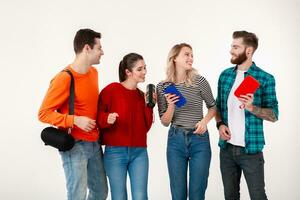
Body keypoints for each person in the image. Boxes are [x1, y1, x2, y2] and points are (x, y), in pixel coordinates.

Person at [38, 28, 108, 200]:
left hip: (94, 143)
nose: (103, 52)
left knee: (100, 193)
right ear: (87, 48)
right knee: (77, 195)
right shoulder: (64, 78)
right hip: (75, 146)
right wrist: (75, 120)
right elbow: (43, 113)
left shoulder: (93, 72)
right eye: (99, 48)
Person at [215, 30, 279, 200]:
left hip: (251, 152)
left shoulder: (265, 78)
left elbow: (274, 114)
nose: (231, 50)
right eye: (231, 46)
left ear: (248, 51)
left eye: (236, 47)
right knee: (230, 196)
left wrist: (252, 108)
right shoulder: (225, 76)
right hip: (227, 150)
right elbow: (217, 107)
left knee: (258, 196)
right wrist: (220, 124)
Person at [156, 43, 216, 200]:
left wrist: (204, 121)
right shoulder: (163, 86)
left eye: (192, 55)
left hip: (199, 140)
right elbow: (164, 121)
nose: (191, 58)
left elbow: (213, 107)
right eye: (186, 54)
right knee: (178, 194)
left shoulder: (199, 81)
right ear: (174, 58)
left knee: (197, 193)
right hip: (176, 141)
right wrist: (170, 105)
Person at [97, 53, 154, 200]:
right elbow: (96, 116)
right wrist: (106, 119)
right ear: (128, 72)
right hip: (115, 152)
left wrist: (150, 106)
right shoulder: (111, 90)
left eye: (145, 68)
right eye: (140, 69)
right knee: (119, 196)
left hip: (139, 152)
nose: (144, 72)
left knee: (141, 196)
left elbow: (146, 127)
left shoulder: (142, 96)